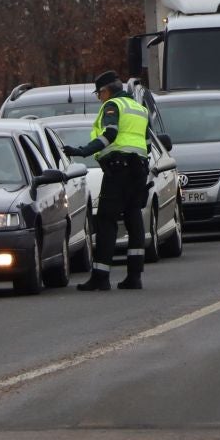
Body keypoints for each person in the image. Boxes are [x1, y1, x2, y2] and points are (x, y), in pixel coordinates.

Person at [70, 71, 152, 291]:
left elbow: (110, 134)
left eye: (99, 94)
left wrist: (83, 151)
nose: (99, 98)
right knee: (134, 218)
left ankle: (101, 276)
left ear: (106, 90)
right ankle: (134, 276)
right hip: (139, 169)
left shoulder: (113, 106)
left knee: (106, 220)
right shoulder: (140, 109)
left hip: (118, 169)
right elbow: (147, 142)